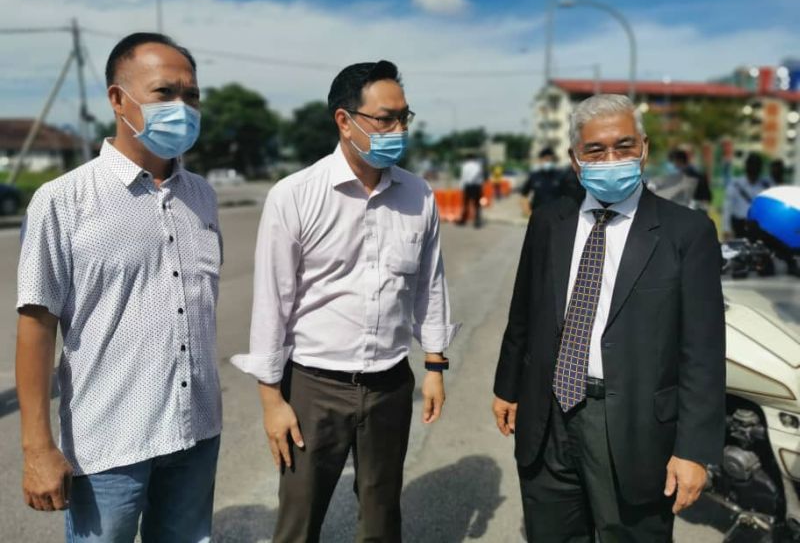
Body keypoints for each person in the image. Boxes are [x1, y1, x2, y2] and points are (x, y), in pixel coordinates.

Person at [231, 60, 459, 542]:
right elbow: (272, 302)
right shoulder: (295, 195)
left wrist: (435, 364)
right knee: (299, 519)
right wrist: (273, 401)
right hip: (315, 386)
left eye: (404, 117)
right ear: (344, 120)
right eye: (384, 119)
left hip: (390, 385)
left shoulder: (418, 195)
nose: (397, 130)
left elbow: (429, 286)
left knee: (381, 514)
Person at [16, 33, 223, 542]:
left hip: (197, 431)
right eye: (165, 93)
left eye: (191, 96)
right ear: (117, 99)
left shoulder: (202, 197)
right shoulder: (64, 200)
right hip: (110, 443)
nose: (183, 107)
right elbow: (36, 328)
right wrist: (37, 448)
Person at [492, 94, 725, 541]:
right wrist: (507, 387)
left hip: (632, 426)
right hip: (550, 416)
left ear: (644, 149)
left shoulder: (685, 232)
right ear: (575, 160)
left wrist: (694, 450)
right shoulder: (549, 221)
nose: (611, 159)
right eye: (596, 150)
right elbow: (524, 311)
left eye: (623, 146)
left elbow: (703, 351)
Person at [723, 152, 770, 239]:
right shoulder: (735, 184)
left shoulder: (765, 187)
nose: (754, 167)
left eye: (756, 165)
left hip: (758, 229)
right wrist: (727, 229)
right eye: (751, 164)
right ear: (746, 166)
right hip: (739, 226)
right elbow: (727, 208)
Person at [520, 147, 564, 215]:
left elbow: (568, 195)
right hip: (538, 215)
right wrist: (527, 211)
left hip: (556, 216)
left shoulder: (560, 176)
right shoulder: (534, 176)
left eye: (551, 160)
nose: (548, 162)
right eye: (546, 159)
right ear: (540, 160)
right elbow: (524, 194)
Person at [457, 152, 485, 228]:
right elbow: (479, 176)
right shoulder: (478, 166)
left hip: (468, 186)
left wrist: (462, 187)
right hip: (476, 186)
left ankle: (463, 220)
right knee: (477, 205)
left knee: (465, 204)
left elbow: (463, 177)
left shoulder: (465, 166)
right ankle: (477, 222)